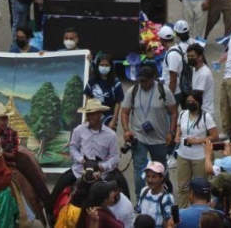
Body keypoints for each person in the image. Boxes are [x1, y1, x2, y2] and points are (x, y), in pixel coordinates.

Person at [121, 64, 177, 193]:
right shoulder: (133, 91)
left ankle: (164, 195)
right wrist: (126, 130)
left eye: (146, 81)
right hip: (138, 137)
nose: (143, 84)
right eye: (141, 81)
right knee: (139, 168)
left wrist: (171, 132)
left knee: (160, 168)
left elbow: (173, 112)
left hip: (159, 138)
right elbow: (125, 112)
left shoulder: (164, 91)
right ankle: (141, 199)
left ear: (153, 79)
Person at [174, 90, 218, 208]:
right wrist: (177, 135)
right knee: (182, 187)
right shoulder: (183, 114)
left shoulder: (205, 117)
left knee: (200, 187)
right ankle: (182, 212)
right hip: (183, 154)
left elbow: (214, 136)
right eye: (188, 101)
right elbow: (179, 125)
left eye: (193, 101)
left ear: (199, 102)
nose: (190, 103)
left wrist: (197, 141)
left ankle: (201, 212)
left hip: (200, 157)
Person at [84, 52, 124, 128]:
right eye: (102, 65)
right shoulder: (92, 81)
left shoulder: (116, 82)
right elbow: (87, 100)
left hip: (109, 119)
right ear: (98, 66)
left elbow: (118, 103)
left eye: (106, 65)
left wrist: (114, 120)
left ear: (111, 66)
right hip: (93, 118)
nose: (104, 67)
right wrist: (86, 118)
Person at [134, 161, 174, 227]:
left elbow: (169, 223)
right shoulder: (144, 191)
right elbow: (139, 214)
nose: (150, 180)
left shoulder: (167, 198)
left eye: (154, 177)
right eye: (148, 176)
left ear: (161, 178)